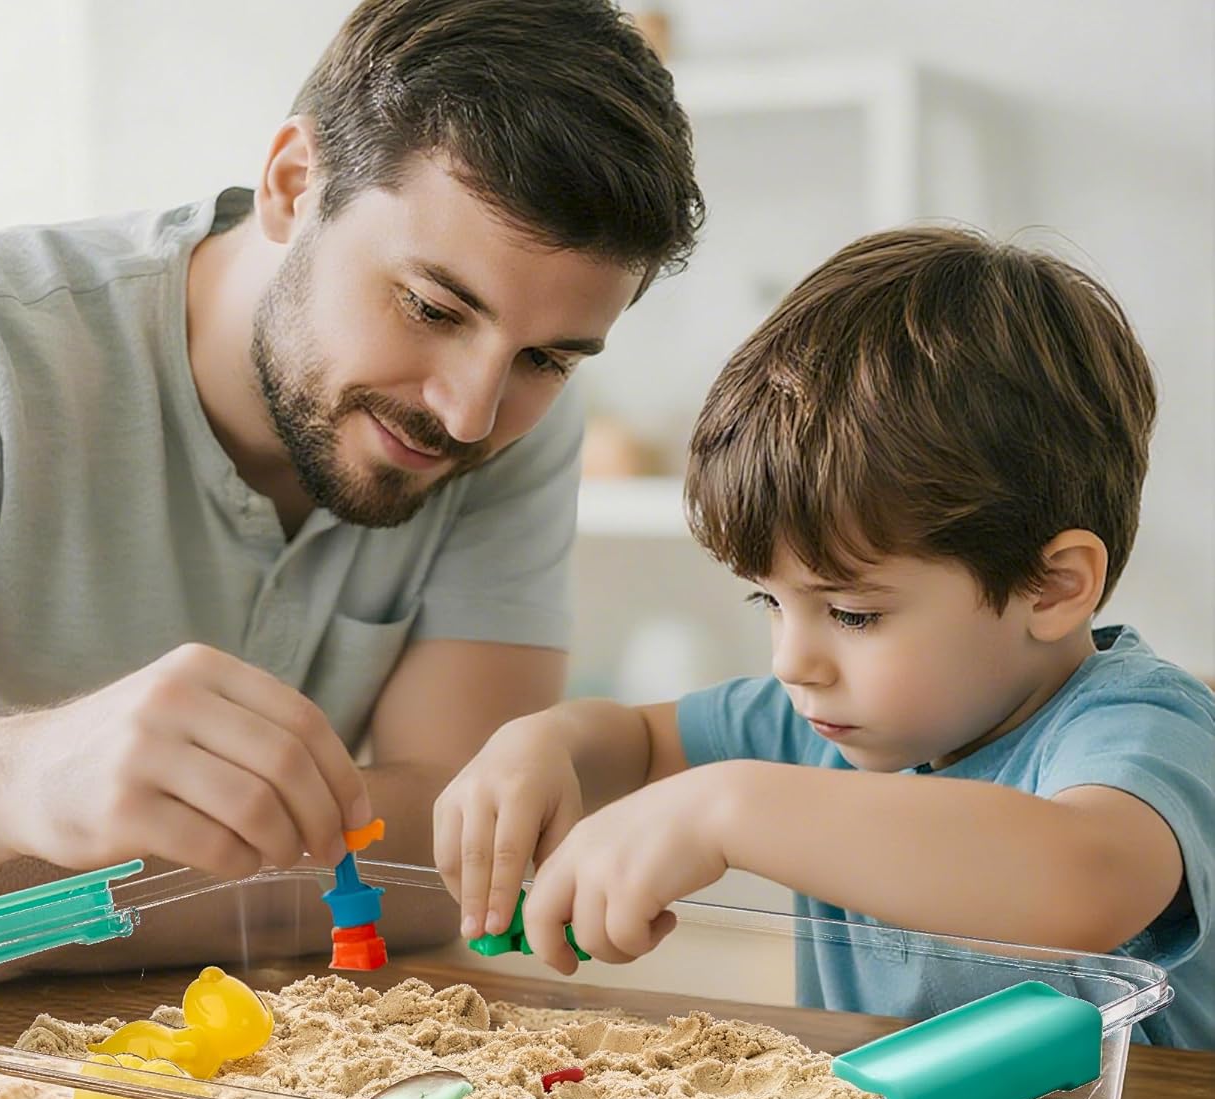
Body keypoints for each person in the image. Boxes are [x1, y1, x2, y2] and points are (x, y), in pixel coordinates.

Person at [0, 0, 704, 985]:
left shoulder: (503, 419)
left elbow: (454, 866)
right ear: (291, 182)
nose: (472, 413)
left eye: (545, 357)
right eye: (431, 307)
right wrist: (1, 779)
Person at [435, 226, 1215, 1049]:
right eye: (769, 603)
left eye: (852, 615)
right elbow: (632, 739)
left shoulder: (1141, 727)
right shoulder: (825, 724)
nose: (791, 662)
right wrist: (543, 741)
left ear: (1051, 587)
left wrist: (725, 807)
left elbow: (1083, 879)